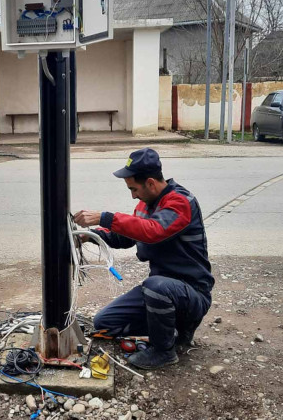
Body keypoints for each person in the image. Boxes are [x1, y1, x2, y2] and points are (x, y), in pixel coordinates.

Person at [75, 148, 214, 370]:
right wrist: (90, 236)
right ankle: (172, 332)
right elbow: (126, 235)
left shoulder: (180, 202)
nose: (132, 195)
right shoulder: (145, 205)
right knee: (104, 323)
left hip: (191, 293)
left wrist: (105, 217)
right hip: (160, 290)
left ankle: (164, 351)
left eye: (134, 189)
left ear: (150, 183)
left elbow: (153, 230)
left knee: (156, 286)